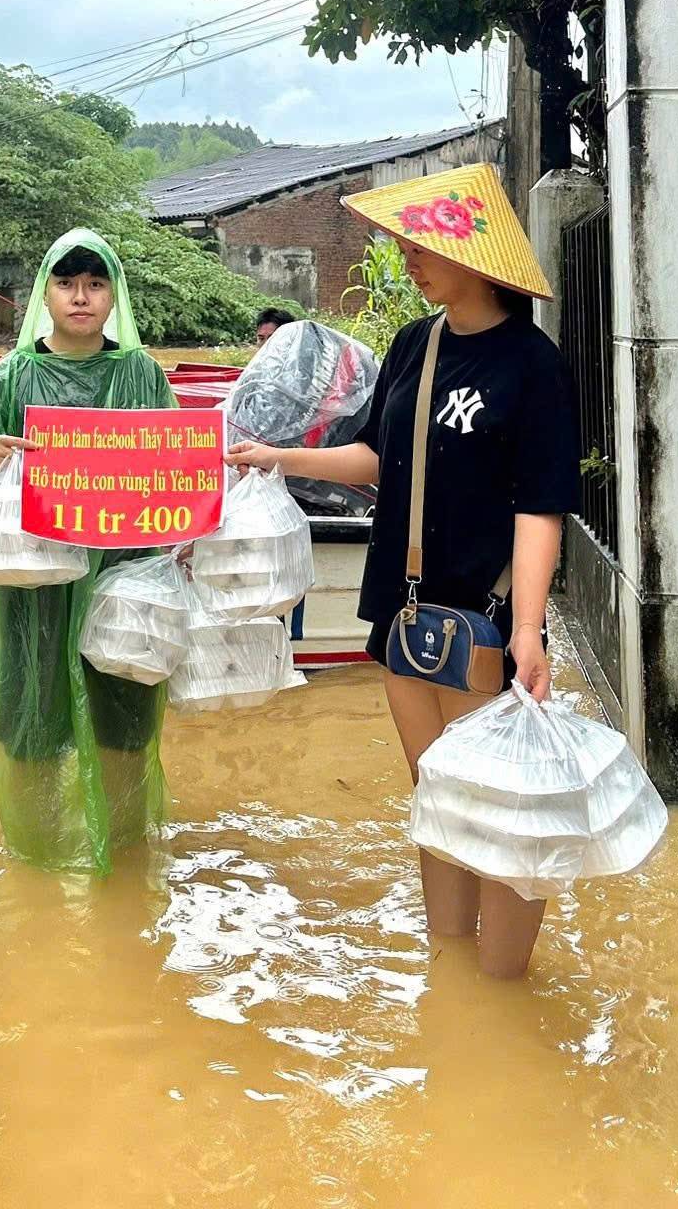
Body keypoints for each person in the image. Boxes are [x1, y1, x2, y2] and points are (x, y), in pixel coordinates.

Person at [226, 164, 580, 980]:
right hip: (406, 613)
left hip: (482, 620)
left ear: (478, 257)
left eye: (423, 244)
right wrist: (276, 457)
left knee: (499, 812)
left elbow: (540, 509)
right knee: (437, 802)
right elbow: (379, 459)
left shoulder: (532, 367)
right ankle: (452, 978)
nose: (407, 257)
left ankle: (504, 987)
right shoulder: (414, 344)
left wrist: (527, 631)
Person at [0, 229, 178, 875]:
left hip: (122, 585)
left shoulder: (142, 376)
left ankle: (125, 854)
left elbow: (179, 473)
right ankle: (35, 859)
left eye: (96, 284)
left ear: (113, 296)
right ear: (45, 294)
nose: (81, 298)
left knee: (123, 718)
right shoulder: (13, 376)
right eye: (67, 284)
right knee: (31, 723)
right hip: (32, 595)